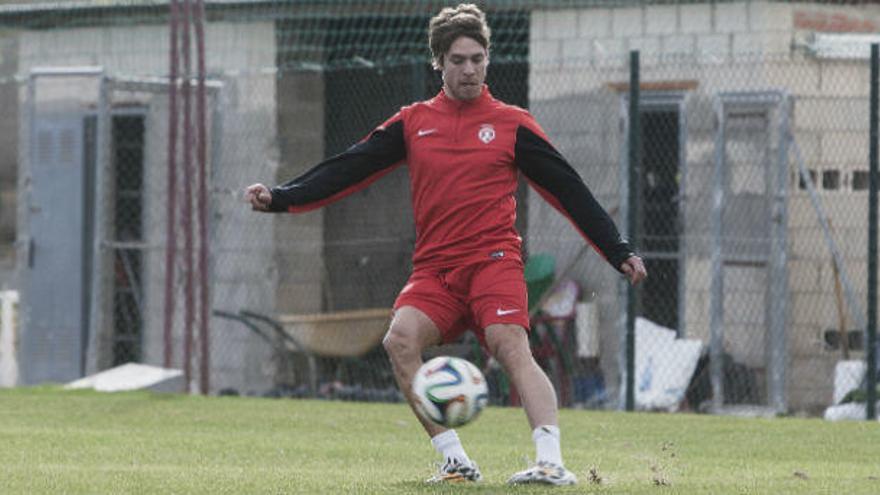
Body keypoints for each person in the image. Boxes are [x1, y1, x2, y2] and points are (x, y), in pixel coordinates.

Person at [246, 3, 646, 486]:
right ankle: (455, 460)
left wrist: (617, 250)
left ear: (487, 60)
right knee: (399, 340)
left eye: (478, 58)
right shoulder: (414, 123)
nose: (470, 69)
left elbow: (569, 190)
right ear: (439, 63)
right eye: (458, 60)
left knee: (508, 343)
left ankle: (550, 461)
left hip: (493, 262)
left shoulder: (511, 123)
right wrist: (282, 198)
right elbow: (350, 167)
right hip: (436, 271)